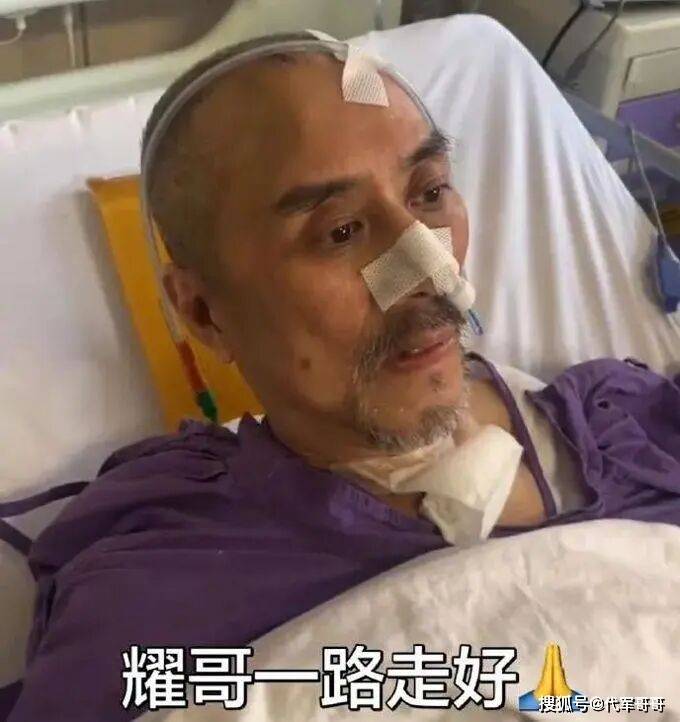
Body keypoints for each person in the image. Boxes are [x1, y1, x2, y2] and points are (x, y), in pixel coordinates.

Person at [5, 31, 679, 722]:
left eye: (430, 192)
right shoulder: (159, 582)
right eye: (341, 231)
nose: (428, 270)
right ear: (205, 313)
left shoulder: (634, 429)